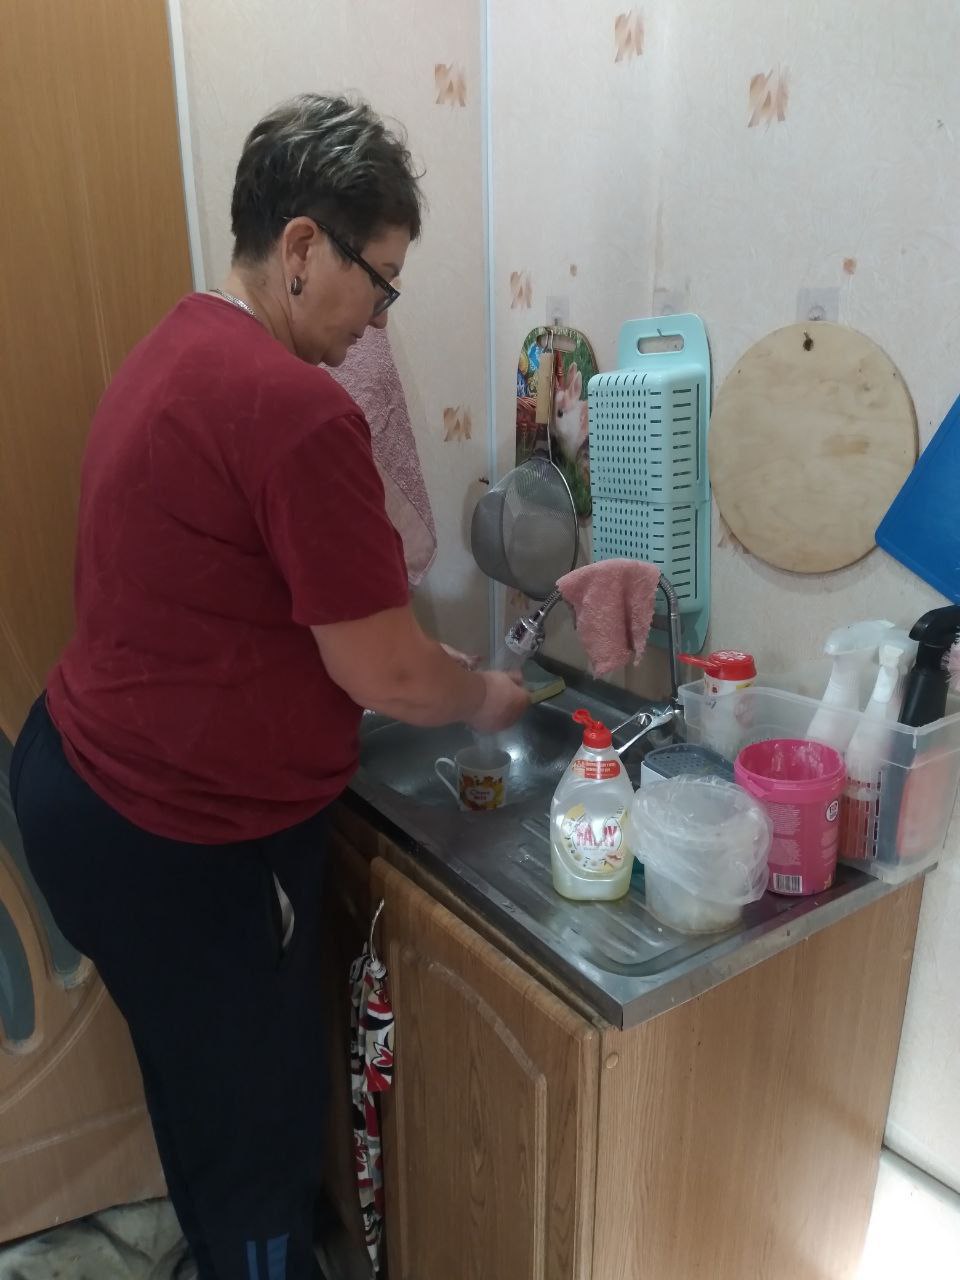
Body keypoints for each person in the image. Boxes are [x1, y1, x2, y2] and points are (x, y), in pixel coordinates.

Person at [10, 92, 528, 1280]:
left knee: (196, 1093)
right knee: (256, 1134)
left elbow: (250, 598)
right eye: (379, 281)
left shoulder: (177, 344)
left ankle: (225, 1252)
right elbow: (382, 666)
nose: (379, 318)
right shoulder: (295, 410)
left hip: (77, 786)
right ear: (302, 247)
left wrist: (421, 672)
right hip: (178, 840)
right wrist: (482, 695)